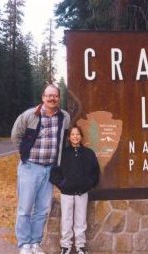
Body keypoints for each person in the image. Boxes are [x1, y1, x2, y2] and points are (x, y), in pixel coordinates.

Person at [11, 84, 70, 254]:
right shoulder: (30, 115)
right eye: (48, 95)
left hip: (50, 169)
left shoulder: (64, 117)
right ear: (43, 97)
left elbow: (63, 139)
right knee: (25, 208)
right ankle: (24, 244)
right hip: (30, 167)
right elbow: (16, 135)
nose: (52, 98)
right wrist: (24, 155)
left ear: (59, 98)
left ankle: (35, 243)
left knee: (43, 209)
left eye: (55, 96)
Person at [50, 126, 100, 254]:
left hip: (82, 193)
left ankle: (80, 246)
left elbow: (95, 173)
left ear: (81, 136)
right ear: (69, 137)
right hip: (67, 193)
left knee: (81, 221)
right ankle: (65, 246)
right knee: (66, 220)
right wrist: (63, 184)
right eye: (72, 134)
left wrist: (87, 184)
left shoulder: (89, 153)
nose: (75, 136)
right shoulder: (63, 153)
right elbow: (55, 173)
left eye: (78, 134)